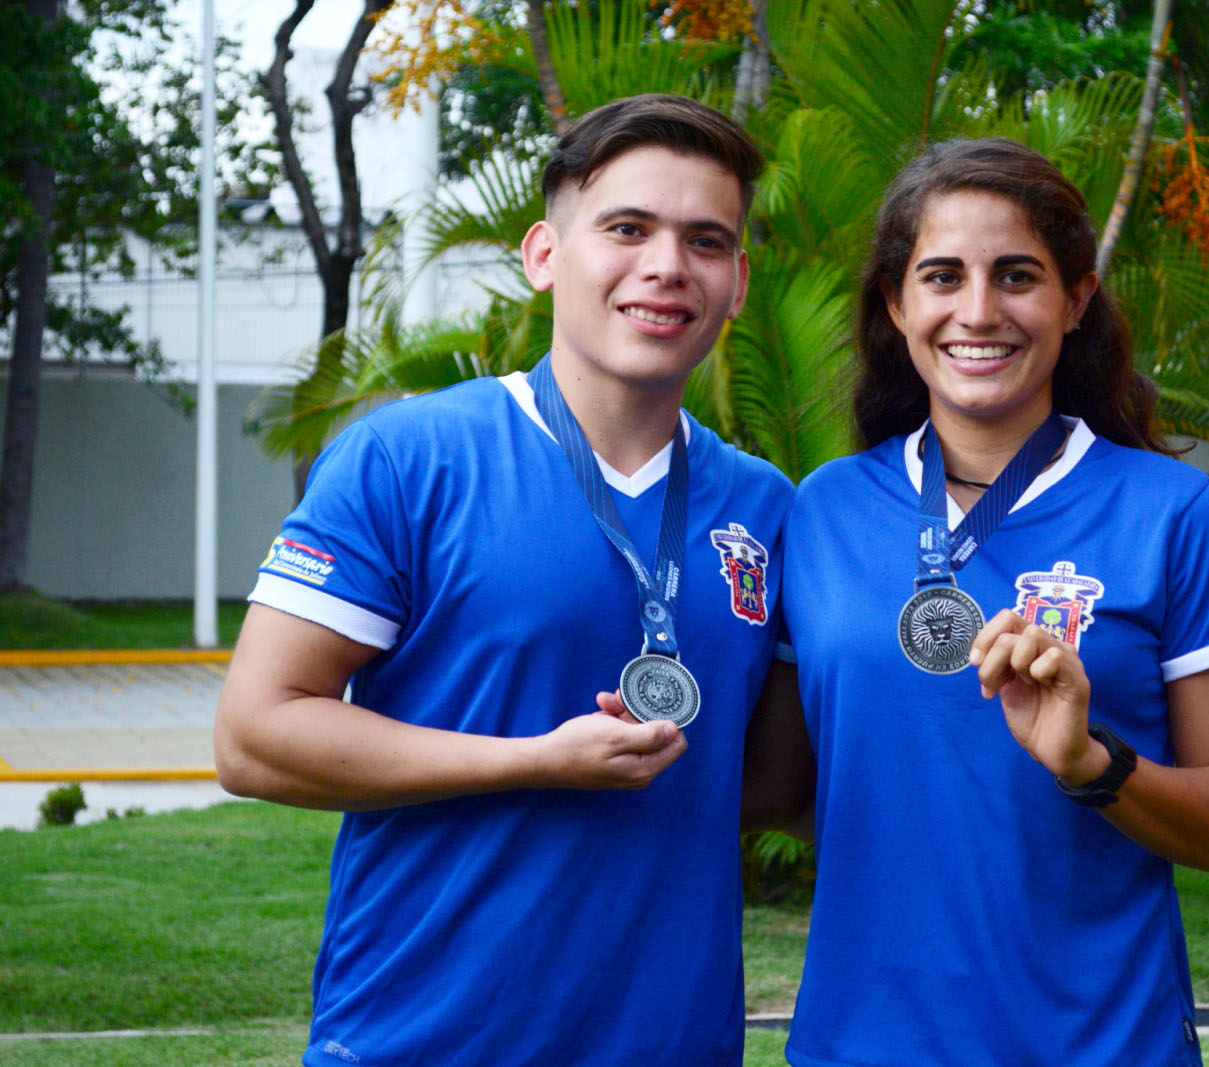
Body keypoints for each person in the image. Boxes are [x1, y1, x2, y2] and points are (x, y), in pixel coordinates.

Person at [214, 94, 793, 1067]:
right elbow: (253, 738)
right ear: (544, 256)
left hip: (671, 1042)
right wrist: (533, 760)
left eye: (705, 240)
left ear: (736, 282)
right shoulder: (410, 458)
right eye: (627, 228)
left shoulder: (767, 508)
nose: (666, 265)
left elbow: (779, 780)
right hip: (421, 1041)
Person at [772, 138, 1209, 1066]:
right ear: (896, 304)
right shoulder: (821, 512)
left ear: (1076, 300)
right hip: (864, 1044)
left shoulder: (1175, 514)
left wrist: (1093, 763)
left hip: (1102, 1045)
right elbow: (783, 784)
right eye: (942, 276)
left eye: (1016, 275)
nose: (978, 311)